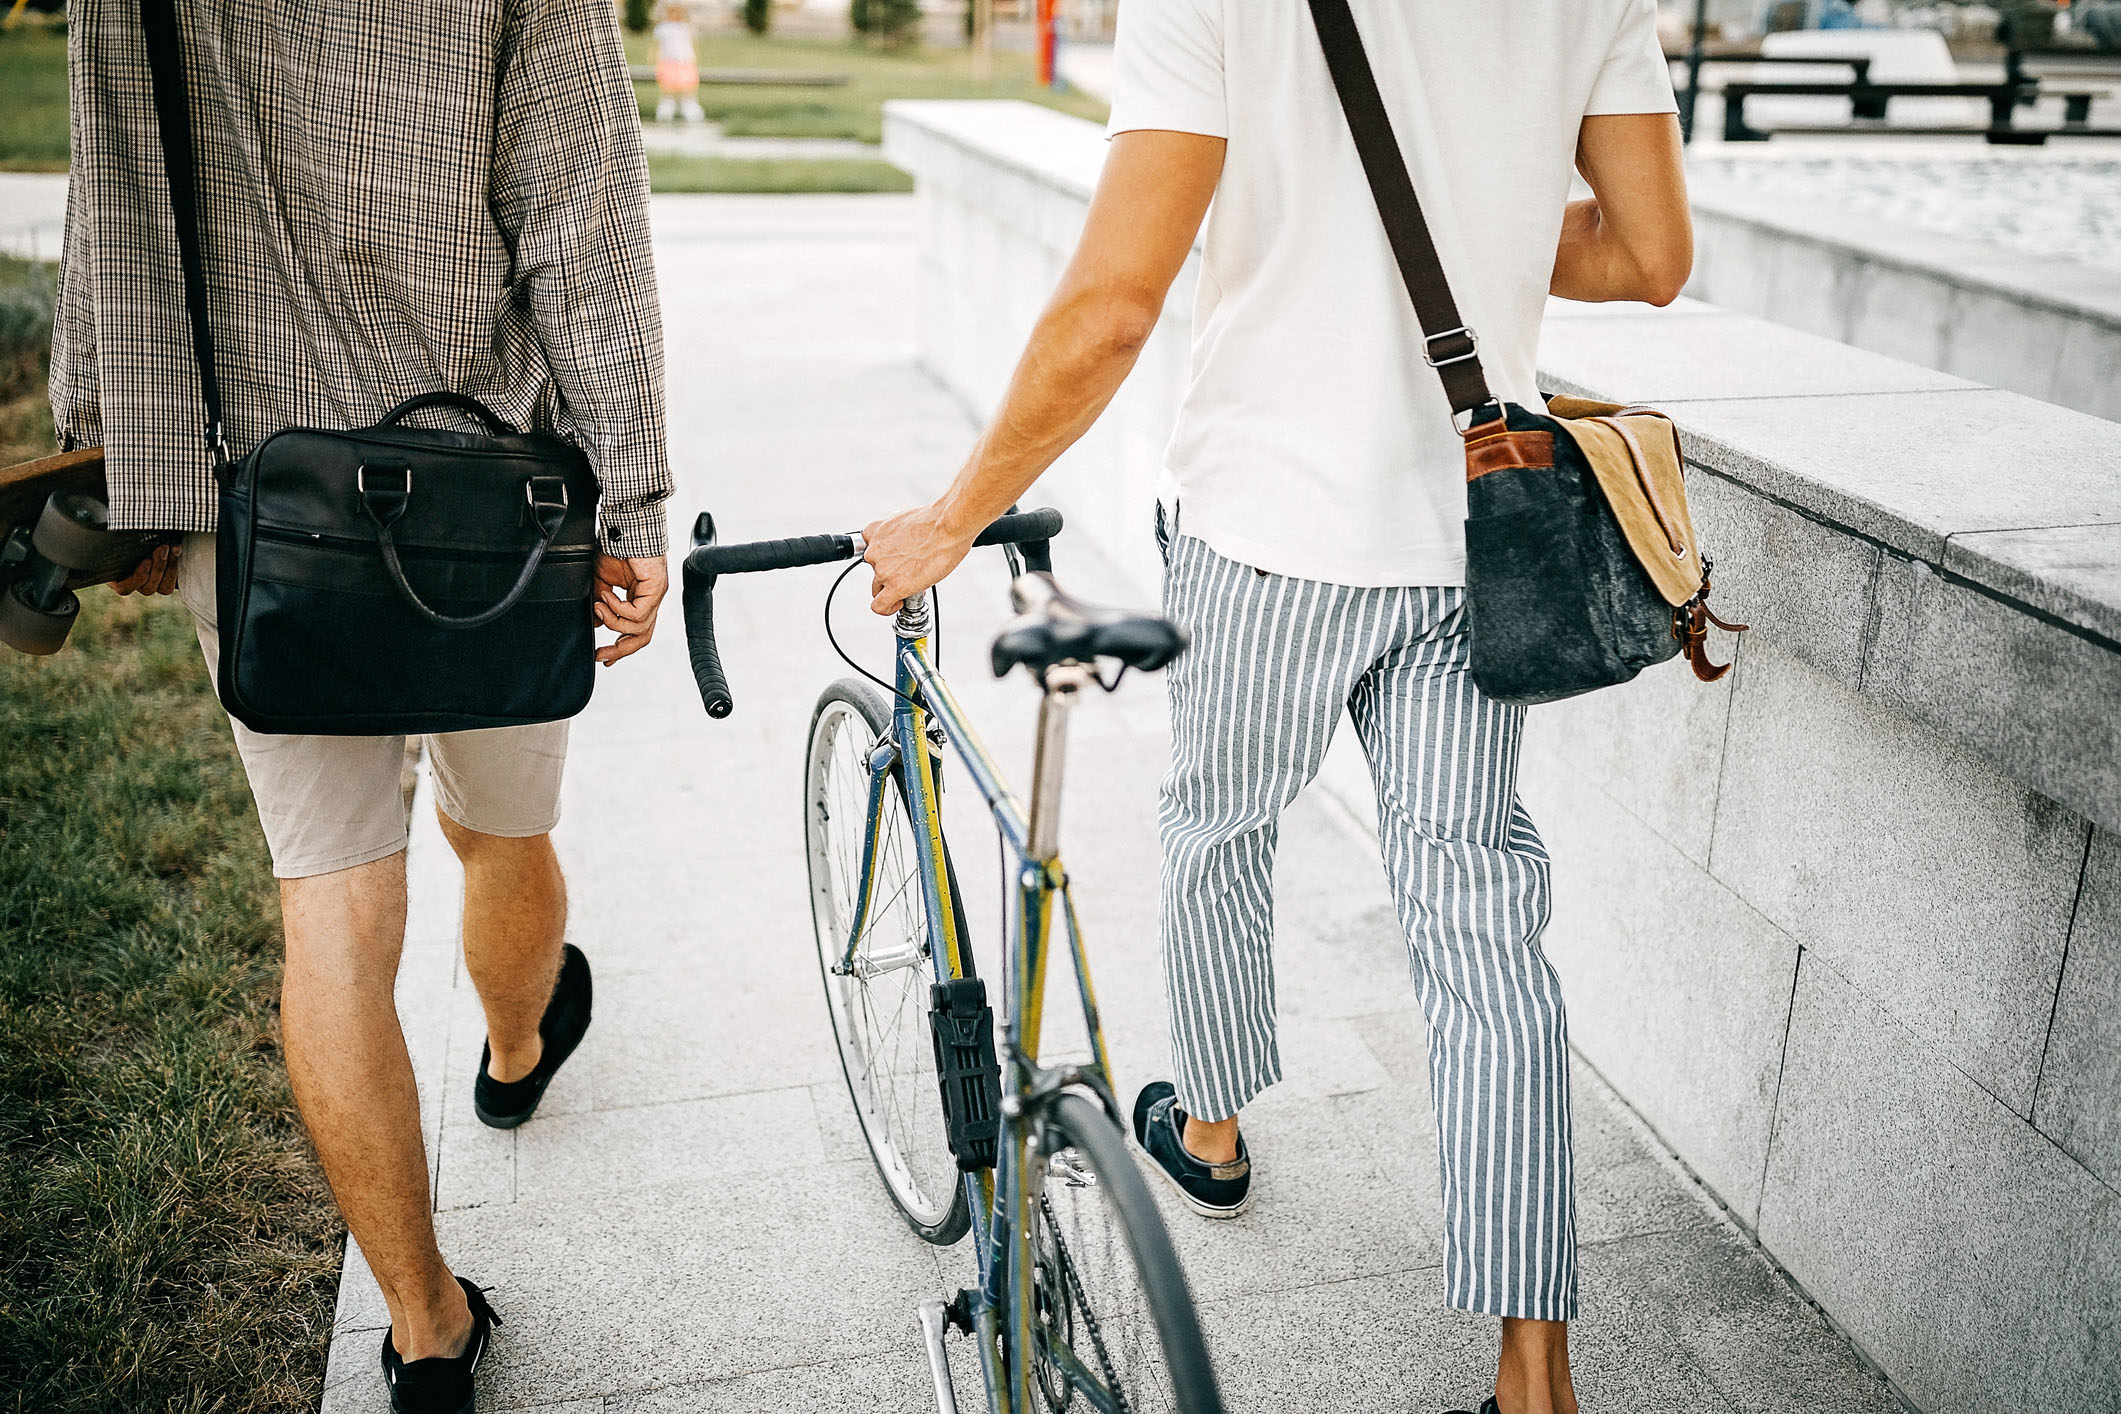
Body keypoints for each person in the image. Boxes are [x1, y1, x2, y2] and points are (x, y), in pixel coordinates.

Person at [860, 1, 1691, 1410]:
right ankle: (1534, 1376)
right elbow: (1651, 257)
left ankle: (1219, 1128)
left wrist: (954, 517)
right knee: (1483, 929)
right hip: (1472, 538)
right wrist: (1477, 208)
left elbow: (1114, 303)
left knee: (1219, 824)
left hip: (1262, 531)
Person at [50, 2, 671, 1410]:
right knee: (503, 828)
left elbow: (118, 185)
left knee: (332, 901)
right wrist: (627, 493)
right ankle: (516, 1048)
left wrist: (115, 460)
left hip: (253, 497)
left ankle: (424, 1328)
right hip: (484, 501)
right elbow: (583, 216)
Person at [654, 3, 707, 124]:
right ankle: (667, 107)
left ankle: (688, 106)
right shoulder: (663, 28)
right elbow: (657, 46)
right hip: (668, 61)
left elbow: (693, 44)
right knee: (668, 86)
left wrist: (694, 60)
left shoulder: (685, 28)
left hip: (684, 61)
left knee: (687, 85)